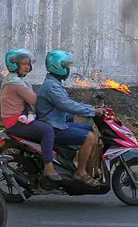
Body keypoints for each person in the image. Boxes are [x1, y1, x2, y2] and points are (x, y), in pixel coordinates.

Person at [36, 49, 106, 186]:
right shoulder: (51, 86)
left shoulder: (54, 83)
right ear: (56, 66)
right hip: (54, 126)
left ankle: (84, 166)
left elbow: (68, 103)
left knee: (89, 129)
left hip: (58, 122)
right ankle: (80, 173)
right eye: (65, 66)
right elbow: (67, 105)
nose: (67, 69)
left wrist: (91, 108)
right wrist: (92, 111)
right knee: (89, 137)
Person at [0, 48, 61, 181]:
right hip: (15, 122)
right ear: (14, 65)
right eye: (23, 64)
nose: (27, 67)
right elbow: (33, 99)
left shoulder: (15, 80)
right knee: (48, 131)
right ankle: (48, 167)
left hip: (18, 118)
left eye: (28, 64)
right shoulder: (15, 83)